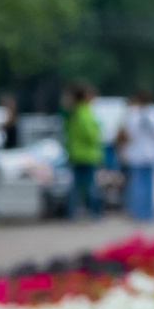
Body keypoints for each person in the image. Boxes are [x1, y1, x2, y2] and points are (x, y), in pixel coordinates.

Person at [119, 91, 154, 224]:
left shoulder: (132, 113)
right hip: (152, 153)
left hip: (137, 153)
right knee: (152, 185)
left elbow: (125, 134)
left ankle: (137, 212)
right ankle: (149, 213)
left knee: (137, 185)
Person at [63, 81, 104, 217]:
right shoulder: (84, 112)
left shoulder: (72, 112)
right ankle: (94, 213)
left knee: (76, 186)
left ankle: (72, 213)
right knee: (90, 187)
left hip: (75, 153)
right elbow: (91, 134)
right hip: (87, 154)